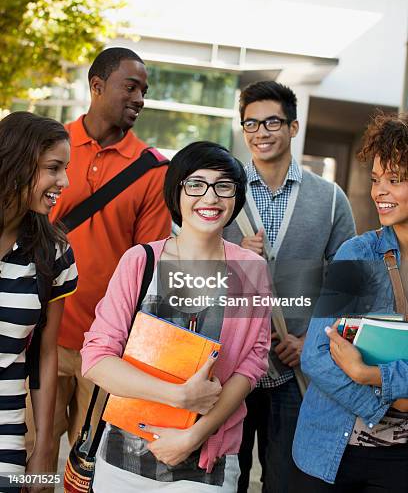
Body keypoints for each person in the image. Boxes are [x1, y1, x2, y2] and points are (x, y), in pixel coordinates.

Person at [81, 141, 271, 492]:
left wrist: (195, 434)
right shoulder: (140, 262)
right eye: (196, 184)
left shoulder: (251, 270)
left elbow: (252, 364)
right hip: (123, 456)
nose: (210, 198)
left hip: (207, 462)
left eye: (223, 186)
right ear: (176, 192)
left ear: (237, 197)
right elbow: (96, 359)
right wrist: (179, 396)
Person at [26, 47, 172, 468]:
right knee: (30, 458)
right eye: (131, 87)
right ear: (96, 86)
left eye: (144, 91)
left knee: (89, 468)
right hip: (39, 337)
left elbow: (148, 270)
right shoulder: (49, 145)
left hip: (107, 349)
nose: (140, 98)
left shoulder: (152, 171)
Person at [223, 81, 356, 493]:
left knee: (290, 483)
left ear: (293, 126)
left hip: (294, 374)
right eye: (251, 124)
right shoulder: (222, 192)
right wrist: (232, 253)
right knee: (226, 480)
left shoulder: (331, 199)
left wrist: (313, 341)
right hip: (230, 368)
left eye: (272, 122)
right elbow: (191, 272)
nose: (261, 132)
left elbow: (349, 287)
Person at [292, 112, 408, 492]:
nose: (379, 192)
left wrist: (370, 374)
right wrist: (387, 401)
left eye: (394, 179)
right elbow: (316, 354)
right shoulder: (358, 253)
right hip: (332, 450)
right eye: (376, 180)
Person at [0, 112, 77, 485]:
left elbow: (46, 352)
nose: (63, 181)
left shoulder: (54, 253)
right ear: (17, 161)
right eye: (53, 167)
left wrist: (45, 445)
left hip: (7, 432)